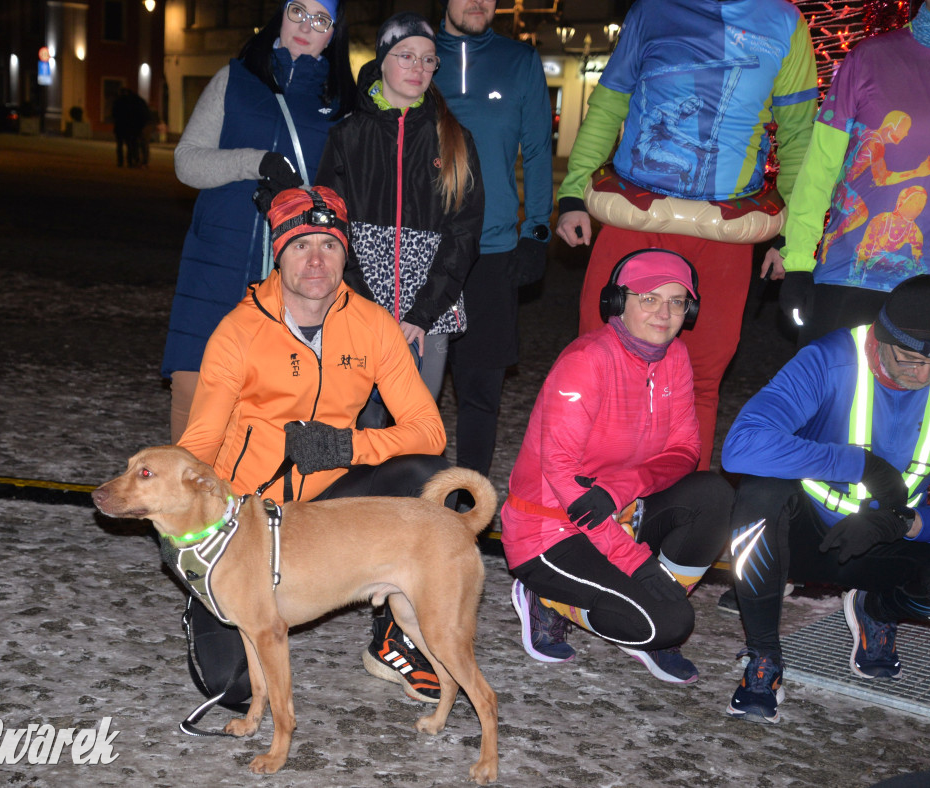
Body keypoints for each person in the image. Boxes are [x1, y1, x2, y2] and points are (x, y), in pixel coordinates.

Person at [179, 186, 449, 704]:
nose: (316, 259)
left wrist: (348, 447)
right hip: (246, 518)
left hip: (328, 503)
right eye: (301, 245)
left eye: (329, 244)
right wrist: (199, 533)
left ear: (346, 253)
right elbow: (201, 442)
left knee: (422, 473)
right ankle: (210, 596)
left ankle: (394, 632)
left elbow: (428, 429)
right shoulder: (238, 332)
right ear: (277, 253)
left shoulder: (372, 325)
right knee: (234, 690)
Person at [555, 0, 818, 470]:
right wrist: (574, 194)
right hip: (635, 218)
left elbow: (800, 134)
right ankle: (580, 494)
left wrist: (791, 239)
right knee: (598, 360)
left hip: (725, 235)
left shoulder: (785, 23)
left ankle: (679, 513)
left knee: (700, 377)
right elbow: (610, 101)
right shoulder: (651, 10)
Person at [721, 274, 930, 724]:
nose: (922, 375)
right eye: (908, 358)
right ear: (881, 337)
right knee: (758, 494)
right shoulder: (828, 359)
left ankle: (875, 608)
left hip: (883, 539)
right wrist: (860, 465)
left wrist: (907, 523)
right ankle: (764, 655)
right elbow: (740, 445)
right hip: (802, 535)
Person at [501, 249, 733, 684]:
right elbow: (565, 478)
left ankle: (647, 601)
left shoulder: (676, 357)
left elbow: (686, 450)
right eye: (648, 298)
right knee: (670, 625)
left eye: (677, 301)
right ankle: (547, 598)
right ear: (617, 302)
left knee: (714, 495)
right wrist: (639, 566)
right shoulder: (586, 362)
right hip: (552, 531)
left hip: (619, 512)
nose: (664, 313)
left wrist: (624, 487)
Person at [163, 0, 357, 442]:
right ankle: (187, 511)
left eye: (321, 19)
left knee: (265, 410)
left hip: (286, 277)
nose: (307, 26)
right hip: (214, 263)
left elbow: (347, 194)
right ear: (280, 16)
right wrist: (257, 162)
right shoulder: (234, 81)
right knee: (193, 394)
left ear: (333, 34)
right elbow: (186, 162)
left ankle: (254, 509)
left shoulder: (340, 106)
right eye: (298, 11)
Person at [764, 0, 930, 346]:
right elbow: (820, 168)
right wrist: (799, 260)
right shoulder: (869, 58)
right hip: (848, 278)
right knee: (836, 398)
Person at [316, 12, 483, 425]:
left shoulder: (456, 139)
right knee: (360, 423)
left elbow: (463, 233)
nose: (418, 68)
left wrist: (420, 313)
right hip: (357, 299)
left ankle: (412, 492)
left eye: (429, 60)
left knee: (416, 424)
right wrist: (366, 308)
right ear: (383, 60)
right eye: (406, 55)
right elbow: (330, 226)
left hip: (430, 308)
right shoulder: (347, 135)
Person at [433, 0, 554, 477]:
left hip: (493, 246)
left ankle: (469, 504)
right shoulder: (415, 53)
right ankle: (405, 504)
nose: (479, 2)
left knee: (481, 389)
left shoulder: (519, 61)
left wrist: (537, 231)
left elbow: (539, 150)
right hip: (423, 249)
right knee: (405, 389)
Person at [112, 87, 144, 168]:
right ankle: (129, 161)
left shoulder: (118, 102)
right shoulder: (131, 103)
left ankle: (120, 162)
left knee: (120, 145)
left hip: (120, 126)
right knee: (129, 145)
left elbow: (114, 113)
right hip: (128, 127)